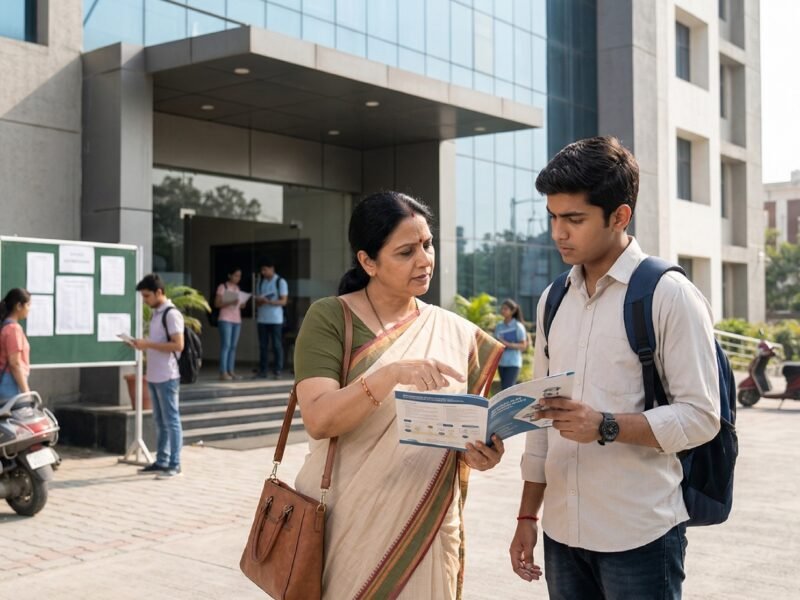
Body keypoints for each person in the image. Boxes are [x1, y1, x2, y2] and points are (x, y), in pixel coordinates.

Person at [508, 136, 720, 599]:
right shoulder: (553, 300)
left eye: (574, 219)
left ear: (620, 216)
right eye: (553, 218)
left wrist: (604, 425)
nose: (558, 233)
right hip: (563, 535)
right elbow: (542, 422)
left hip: (639, 533)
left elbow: (703, 416)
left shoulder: (668, 295)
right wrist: (528, 516)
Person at [293, 191, 507, 599]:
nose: (425, 260)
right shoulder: (331, 318)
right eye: (406, 252)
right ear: (368, 261)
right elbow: (319, 419)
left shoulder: (456, 333)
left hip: (427, 525)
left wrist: (483, 454)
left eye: (427, 245)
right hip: (347, 523)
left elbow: (464, 431)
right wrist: (390, 374)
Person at [130, 274, 185, 479]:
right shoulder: (156, 313)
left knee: (171, 420)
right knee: (160, 420)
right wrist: (140, 344)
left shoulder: (171, 314)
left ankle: (175, 464)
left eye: (147, 296)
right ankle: (162, 461)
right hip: (154, 375)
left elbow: (178, 345)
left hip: (168, 376)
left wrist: (148, 344)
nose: (145, 300)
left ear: (159, 293)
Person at [254, 259, 288, 379]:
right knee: (263, 346)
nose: (263, 272)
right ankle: (263, 370)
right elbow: (257, 303)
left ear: (272, 268)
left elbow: (284, 301)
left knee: (276, 345)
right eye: (262, 270)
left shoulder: (280, 281)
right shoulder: (260, 282)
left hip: (275, 319)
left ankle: (277, 370)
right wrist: (259, 301)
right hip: (262, 319)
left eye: (265, 269)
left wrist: (269, 301)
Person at [0, 288, 32, 400]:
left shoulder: (4, 327)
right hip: (11, 385)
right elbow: (15, 363)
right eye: (28, 305)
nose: (29, 309)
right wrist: (26, 393)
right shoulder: (14, 329)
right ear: (19, 306)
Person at [215, 267, 243, 381]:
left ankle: (231, 371)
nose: (238, 278)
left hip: (237, 319)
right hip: (225, 319)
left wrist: (241, 303)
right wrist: (231, 301)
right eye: (236, 275)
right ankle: (223, 372)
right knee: (226, 345)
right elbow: (217, 303)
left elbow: (239, 304)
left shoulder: (237, 288)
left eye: (239, 276)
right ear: (229, 275)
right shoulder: (223, 287)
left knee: (233, 346)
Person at [495, 299, 528, 390]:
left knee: (507, 388)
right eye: (502, 309)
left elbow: (523, 345)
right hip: (501, 363)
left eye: (505, 309)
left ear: (513, 311)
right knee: (504, 389)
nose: (503, 311)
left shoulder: (518, 326)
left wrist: (507, 344)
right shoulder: (499, 326)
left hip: (513, 363)